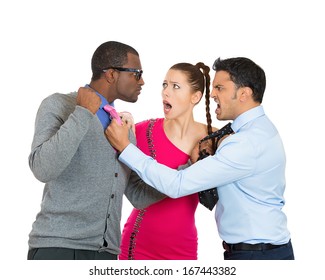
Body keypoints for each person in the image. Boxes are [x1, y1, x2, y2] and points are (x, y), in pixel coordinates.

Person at [105, 57, 295, 260]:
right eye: (165, 85)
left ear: (244, 94)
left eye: (220, 88)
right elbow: (131, 188)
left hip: (253, 254)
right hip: (142, 243)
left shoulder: (240, 142)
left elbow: (178, 185)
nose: (212, 94)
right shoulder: (251, 132)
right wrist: (125, 121)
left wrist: (126, 147)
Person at [27, 41, 164, 260]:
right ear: (111, 74)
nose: (143, 81)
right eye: (136, 73)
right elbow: (43, 169)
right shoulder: (59, 104)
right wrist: (82, 112)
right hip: (58, 248)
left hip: (106, 253)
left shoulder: (122, 129)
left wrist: (188, 173)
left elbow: (137, 195)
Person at [119, 62, 215, 260]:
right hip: (138, 245)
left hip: (183, 248)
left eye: (175, 86)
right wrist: (125, 122)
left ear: (195, 97)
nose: (166, 92)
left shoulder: (213, 140)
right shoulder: (142, 131)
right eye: (164, 85)